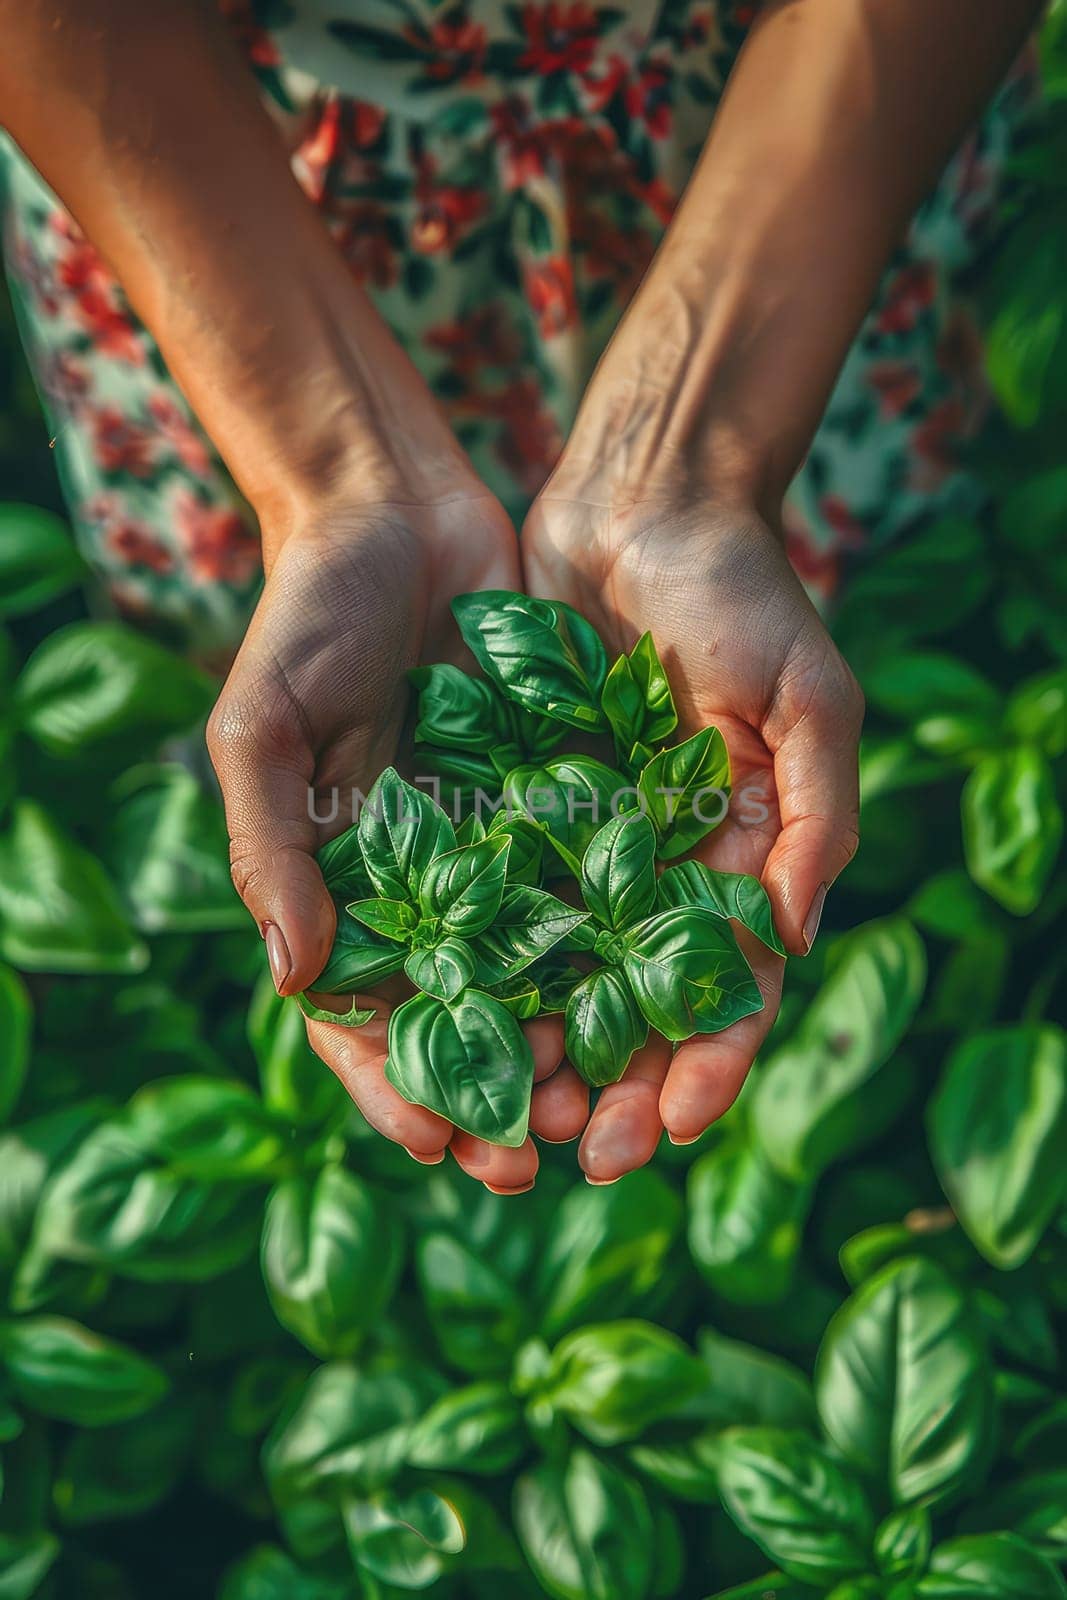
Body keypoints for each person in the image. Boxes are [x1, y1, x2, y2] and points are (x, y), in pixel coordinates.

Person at [0, 0, 1041, 1193]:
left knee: (799, 626)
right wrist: (336, 479)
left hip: (808, 173)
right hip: (207, 198)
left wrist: (686, 462)